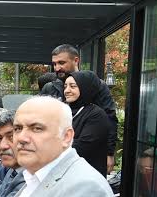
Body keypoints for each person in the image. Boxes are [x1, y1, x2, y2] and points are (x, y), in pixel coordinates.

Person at [49, 43, 118, 172]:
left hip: (88, 157)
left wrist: (109, 152)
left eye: (61, 63)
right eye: (54, 64)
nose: (57, 68)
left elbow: (109, 118)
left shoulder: (97, 87)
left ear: (76, 61)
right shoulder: (51, 86)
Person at [64, 71, 109, 176]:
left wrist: (52, 145)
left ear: (85, 88)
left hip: (86, 175)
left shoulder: (96, 115)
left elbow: (82, 148)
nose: (67, 90)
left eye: (73, 86)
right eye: (65, 86)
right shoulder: (63, 110)